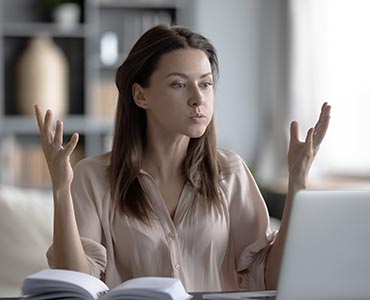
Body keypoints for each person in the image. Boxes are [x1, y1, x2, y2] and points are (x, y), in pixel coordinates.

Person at [35, 25, 331, 293]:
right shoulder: (93, 177)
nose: (198, 98)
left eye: (205, 84)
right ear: (141, 96)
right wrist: (61, 189)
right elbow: (75, 287)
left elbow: (272, 282)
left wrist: (297, 182)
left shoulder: (231, 172)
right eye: (179, 84)